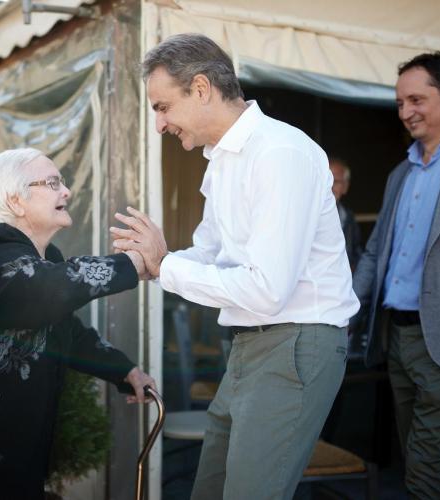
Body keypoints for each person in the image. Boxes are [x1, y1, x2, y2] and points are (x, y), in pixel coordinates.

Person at [111, 33, 359, 499]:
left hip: (295, 343)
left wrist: (165, 265)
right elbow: (210, 254)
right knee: (211, 488)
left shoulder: (279, 152)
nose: (160, 124)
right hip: (253, 345)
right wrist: (148, 265)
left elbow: (267, 289)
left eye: (163, 107)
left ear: (201, 88)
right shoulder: (224, 160)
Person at [0, 148, 157, 500]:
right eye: (52, 183)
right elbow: (50, 289)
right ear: (16, 201)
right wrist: (133, 263)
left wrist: (124, 371)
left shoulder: (45, 259)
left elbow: (68, 333)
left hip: (22, 446)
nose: (67, 191)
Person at [352, 52, 440, 499]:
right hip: (398, 340)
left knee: (425, 472)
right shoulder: (399, 174)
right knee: (427, 463)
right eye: (399, 103)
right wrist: (342, 312)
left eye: (416, 99)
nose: (405, 112)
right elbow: (374, 256)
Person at [330, 157, 363, 269]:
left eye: (336, 182)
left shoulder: (348, 218)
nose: (330, 186)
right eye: (326, 180)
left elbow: (356, 255)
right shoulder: (306, 215)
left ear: (345, 187)